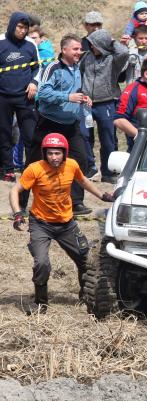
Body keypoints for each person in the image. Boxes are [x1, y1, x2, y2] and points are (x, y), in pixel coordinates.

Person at [8, 133, 114, 313]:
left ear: (64, 153)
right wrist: (18, 214)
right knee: (41, 263)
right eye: (50, 153)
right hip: (40, 224)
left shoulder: (72, 165)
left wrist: (104, 196)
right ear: (44, 153)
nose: (54, 157)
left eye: (57, 153)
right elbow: (15, 191)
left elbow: (84, 181)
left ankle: (85, 296)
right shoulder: (34, 169)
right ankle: (40, 304)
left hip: (66, 224)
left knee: (86, 259)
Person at [32, 34, 92, 215]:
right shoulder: (53, 67)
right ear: (64, 49)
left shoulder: (77, 68)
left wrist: (83, 97)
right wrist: (67, 97)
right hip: (49, 123)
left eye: (80, 49)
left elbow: (75, 91)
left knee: (80, 159)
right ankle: (22, 202)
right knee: (35, 161)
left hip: (71, 124)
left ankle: (76, 202)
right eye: (75, 49)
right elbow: (42, 93)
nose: (79, 52)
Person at [80, 28, 128, 184]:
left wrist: (111, 41)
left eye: (94, 44)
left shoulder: (113, 60)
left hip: (106, 103)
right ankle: (90, 168)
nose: (91, 46)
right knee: (85, 136)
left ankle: (108, 172)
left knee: (107, 139)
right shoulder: (86, 57)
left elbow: (124, 53)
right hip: (86, 103)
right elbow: (80, 73)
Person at [0, 12, 39, 183]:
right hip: (3, 97)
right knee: (4, 134)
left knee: (30, 134)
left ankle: (30, 169)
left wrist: (34, 83)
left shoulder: (30, 44)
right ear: (12, 25)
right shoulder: (1, 42)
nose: (23, 31)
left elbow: (37, 68)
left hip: (25, 97)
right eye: (20, 27)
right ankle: (7, 169)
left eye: (25, 28)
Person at [115, 57, 147, 150]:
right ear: (146, 74)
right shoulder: (133, 90)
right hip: (139, 148)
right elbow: (119, 120)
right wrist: (140, 136)